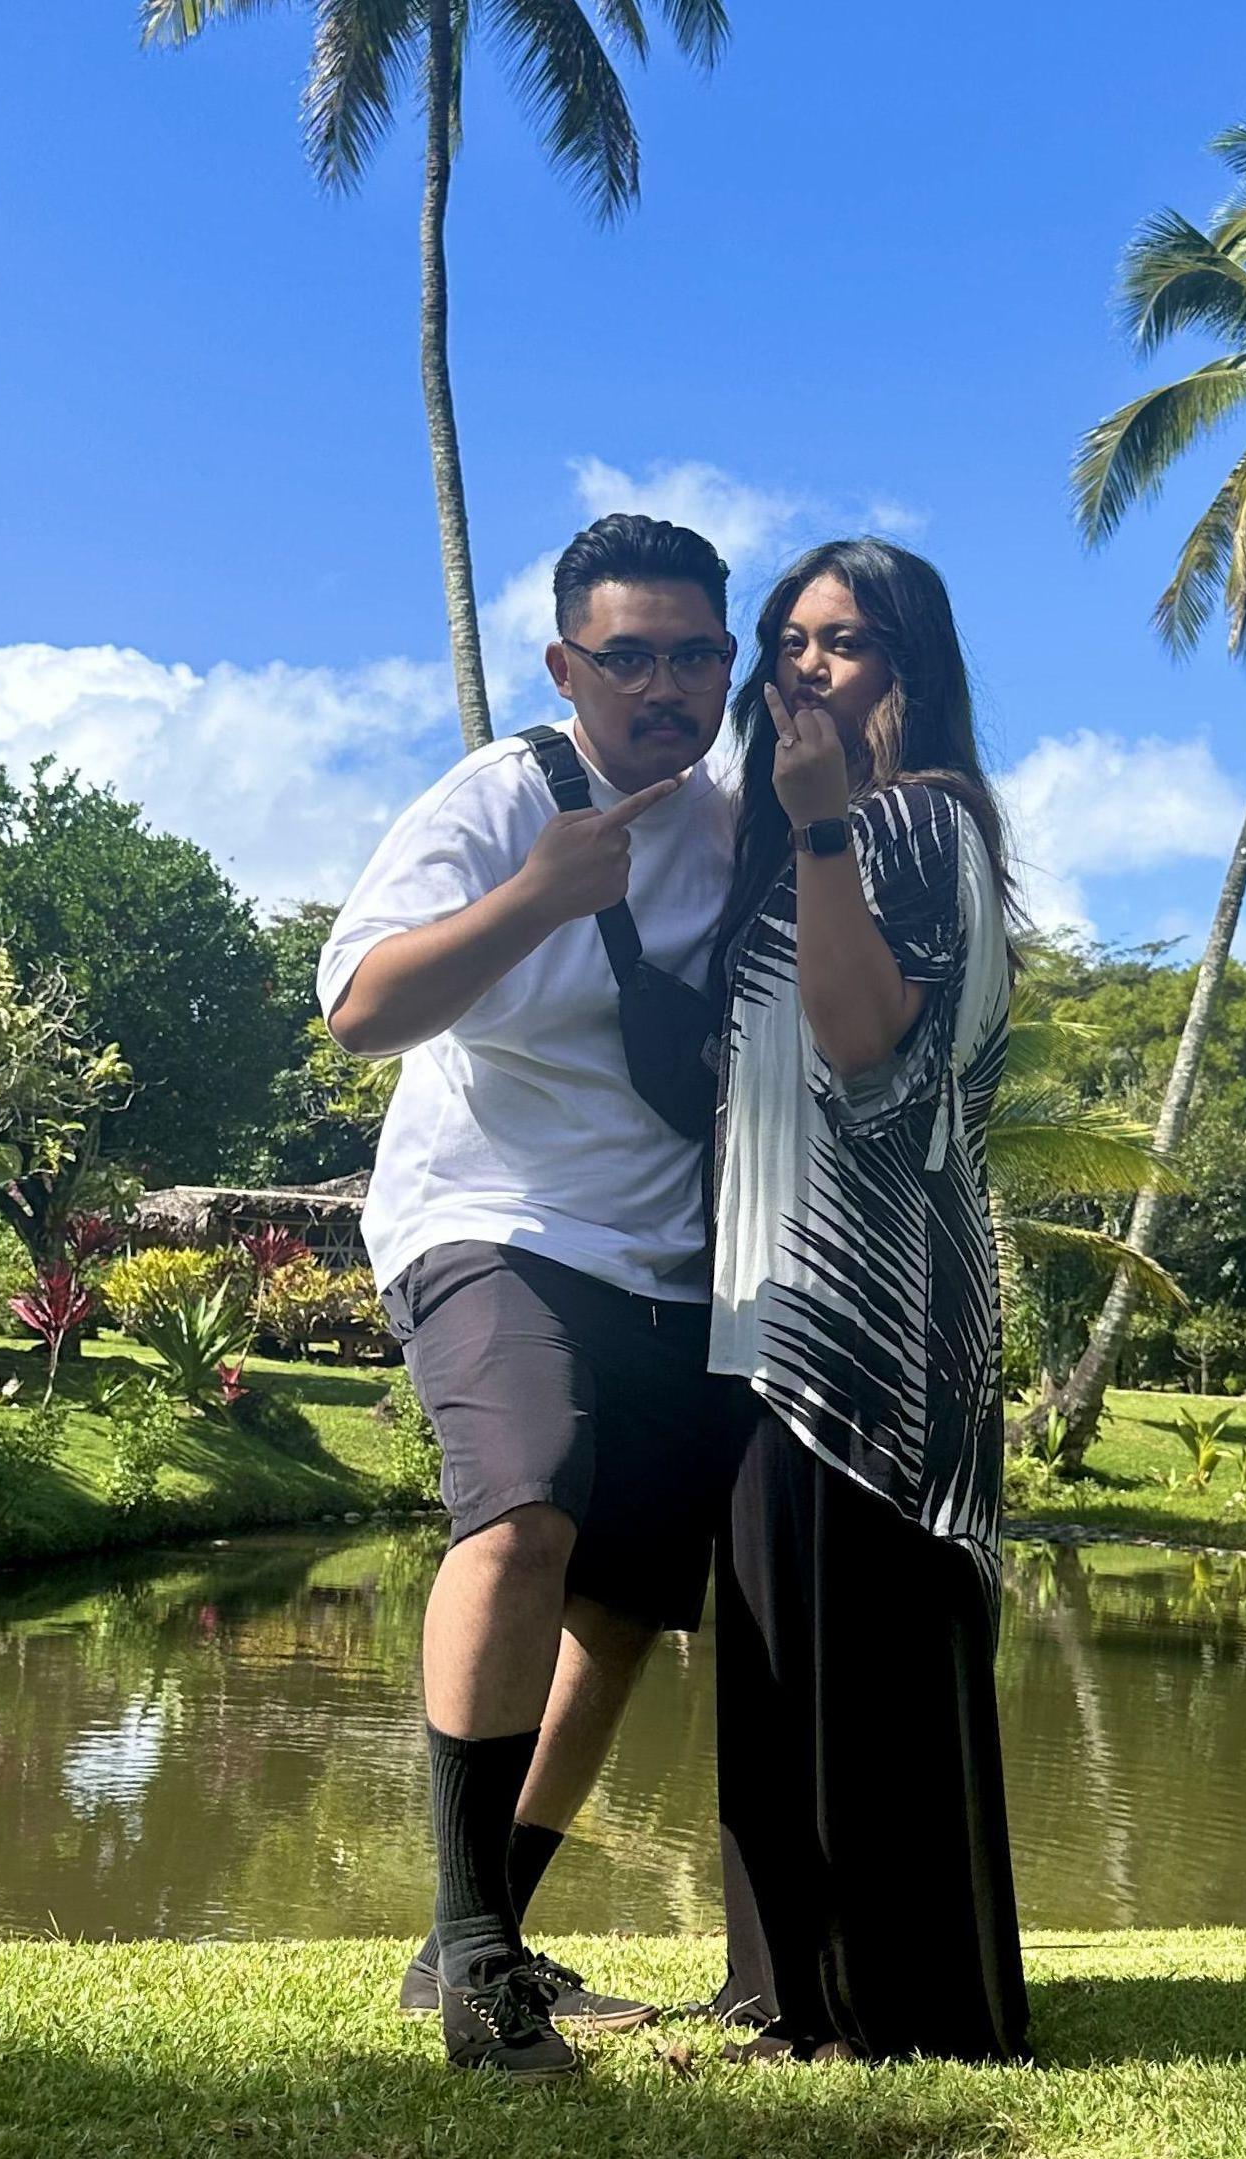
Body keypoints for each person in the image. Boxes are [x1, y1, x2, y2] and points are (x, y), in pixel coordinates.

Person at [318, 513, 746, 2081]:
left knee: (624, 1613)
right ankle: (480, 1956)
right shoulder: (502, 801)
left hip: (668, 1263)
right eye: (625, 656)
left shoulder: (737, 818)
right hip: (488, 1221)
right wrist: (542, 896)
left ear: (726, 665)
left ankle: (477, 1936)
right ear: (566, 665)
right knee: (519, 1521)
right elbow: (363, 1008)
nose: (661, 685)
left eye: (692, 653)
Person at [706, 538, 1031, 2064]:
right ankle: (792, 1988)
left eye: (843, 641)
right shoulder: (799, 840)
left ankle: (885, 2005)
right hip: (783, 1302)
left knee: (860, 1663)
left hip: (874, 1318)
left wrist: (825, 832)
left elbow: (865, 1050)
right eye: (788, 641)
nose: (804, 667)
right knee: (791, 1661)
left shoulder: (912, 824)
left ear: (912, 667)